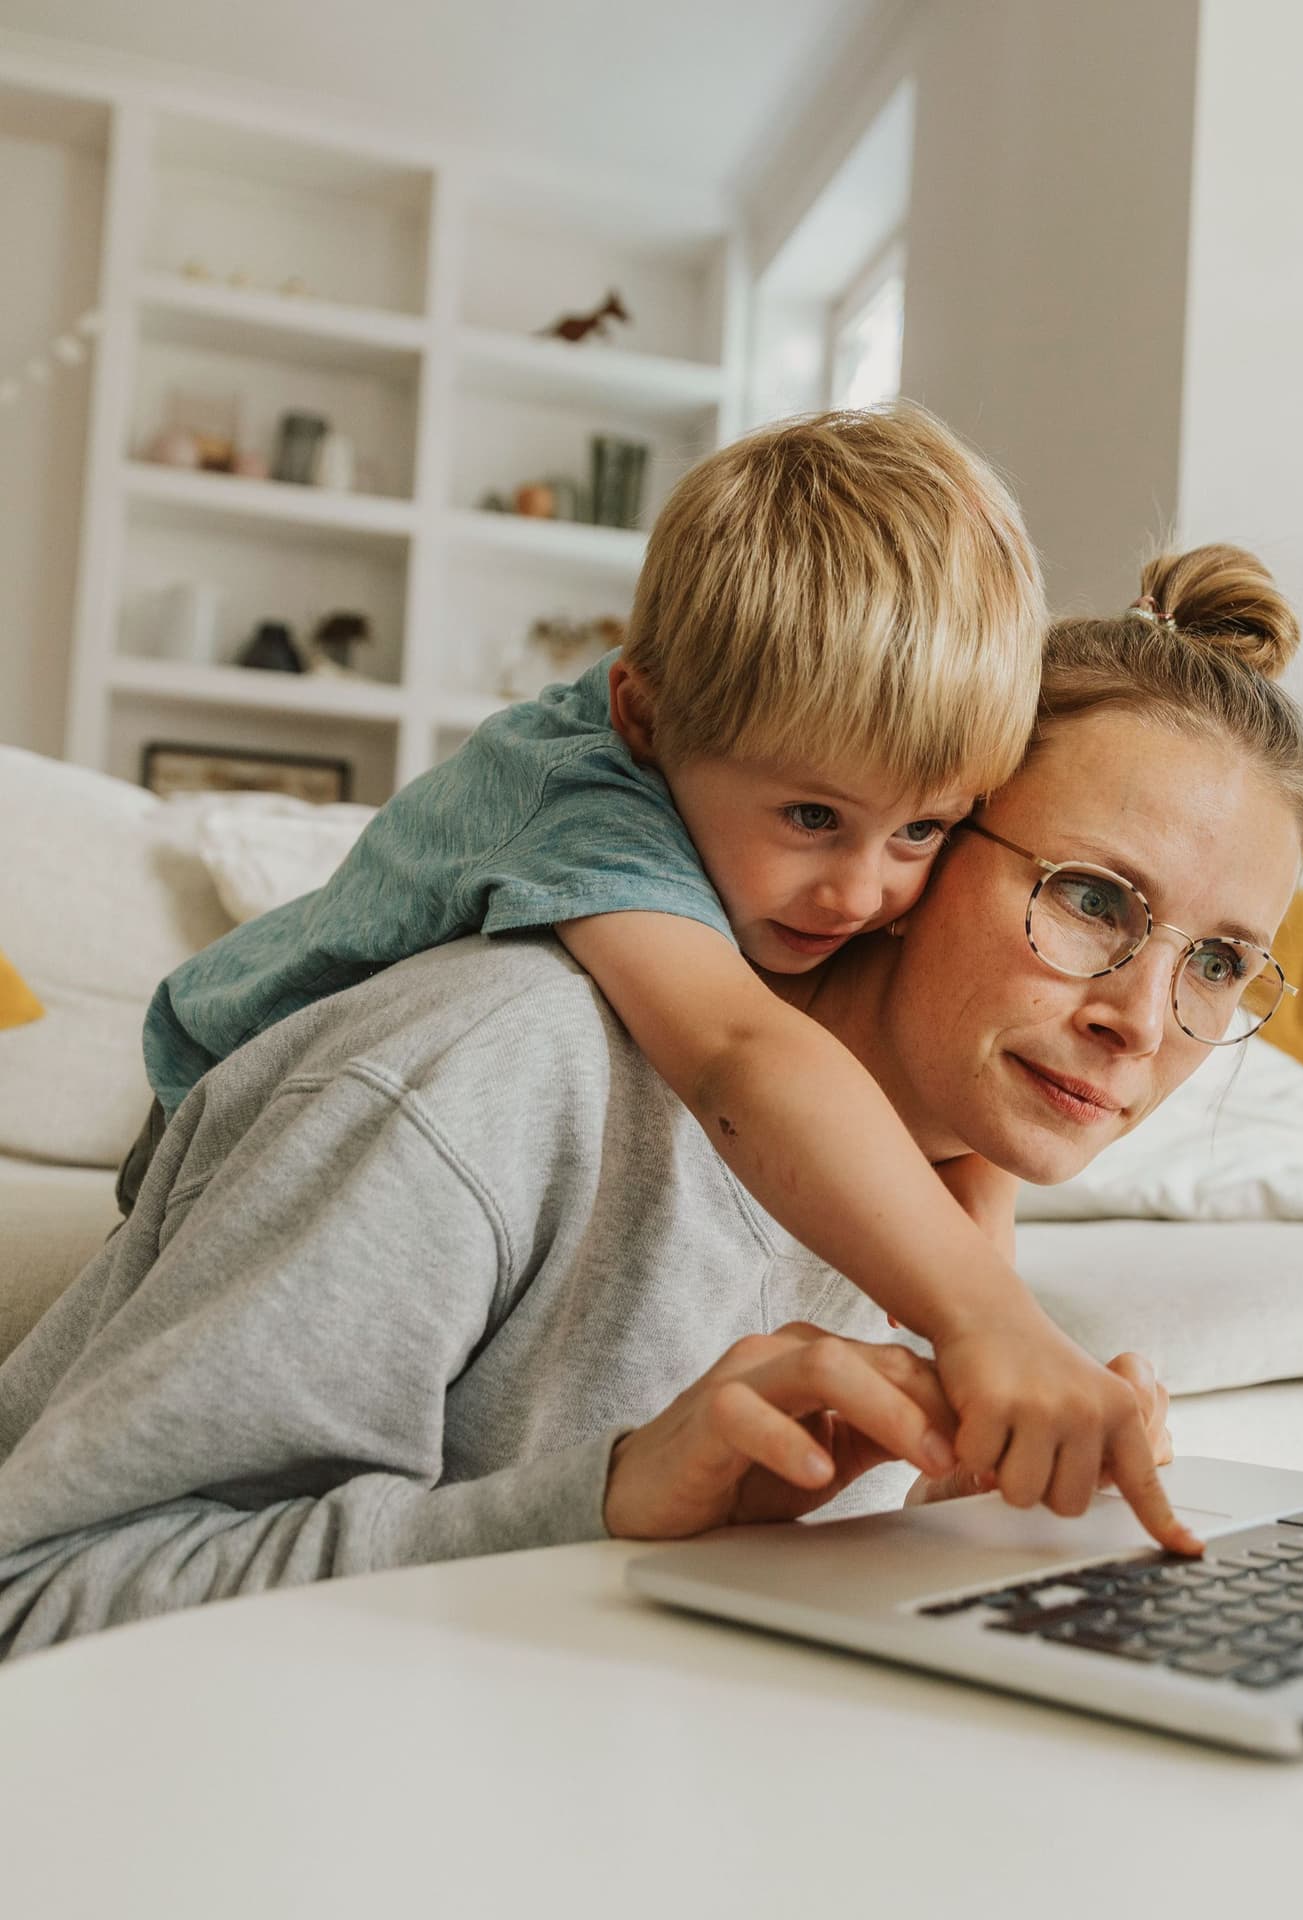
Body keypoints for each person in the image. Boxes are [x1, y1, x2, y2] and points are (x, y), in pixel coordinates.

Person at [0, 544, 1303, 1659]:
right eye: (1092, 898)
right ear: (925, 825)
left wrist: (961, 1519)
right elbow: (38, 1598)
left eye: (1219, 964)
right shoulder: (495, 1071)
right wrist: (608, 1499)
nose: (1141, 1020)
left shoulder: (931, 1195)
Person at [131, 404, 1181, 1547]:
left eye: (921, 831)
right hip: (226, 1103)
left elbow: (956, 1136)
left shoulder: (751, 743)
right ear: (642, 716)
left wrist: (989, 1327)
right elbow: (736, 1053)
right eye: (813, 818)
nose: (859, 893)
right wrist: (988, 1321)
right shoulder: (590, 803)